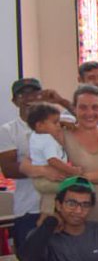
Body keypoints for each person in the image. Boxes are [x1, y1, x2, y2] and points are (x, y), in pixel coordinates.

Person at [0, 79, 73, 250]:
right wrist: (43, 170)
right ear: (14, 101)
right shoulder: (9, 130)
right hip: (29, 208)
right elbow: (8, 169)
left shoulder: (59, 120)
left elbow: (85, 118)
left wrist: (60, 100)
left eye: (34, 93)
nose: (29, 98)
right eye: (22, 94)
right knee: (32, 260)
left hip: (65, 206)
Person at [54, 85, 98, 227]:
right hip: (73, 215)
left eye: (95, 107)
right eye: (83, 107)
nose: (89, 113)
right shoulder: (62, 134)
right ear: (74, 109)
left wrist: (80, 178)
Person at [25, 102, 81, 215]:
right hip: (47, 180)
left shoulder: (35, 136)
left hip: (40, 180)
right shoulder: (47, 140)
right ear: (40, 125)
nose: (59, 126)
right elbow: (53, 161)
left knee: (49, 199)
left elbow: (69, 119)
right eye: (55, 123)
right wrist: (73, 171)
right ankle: (50, 217)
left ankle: (47, 215)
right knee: (77, 186)